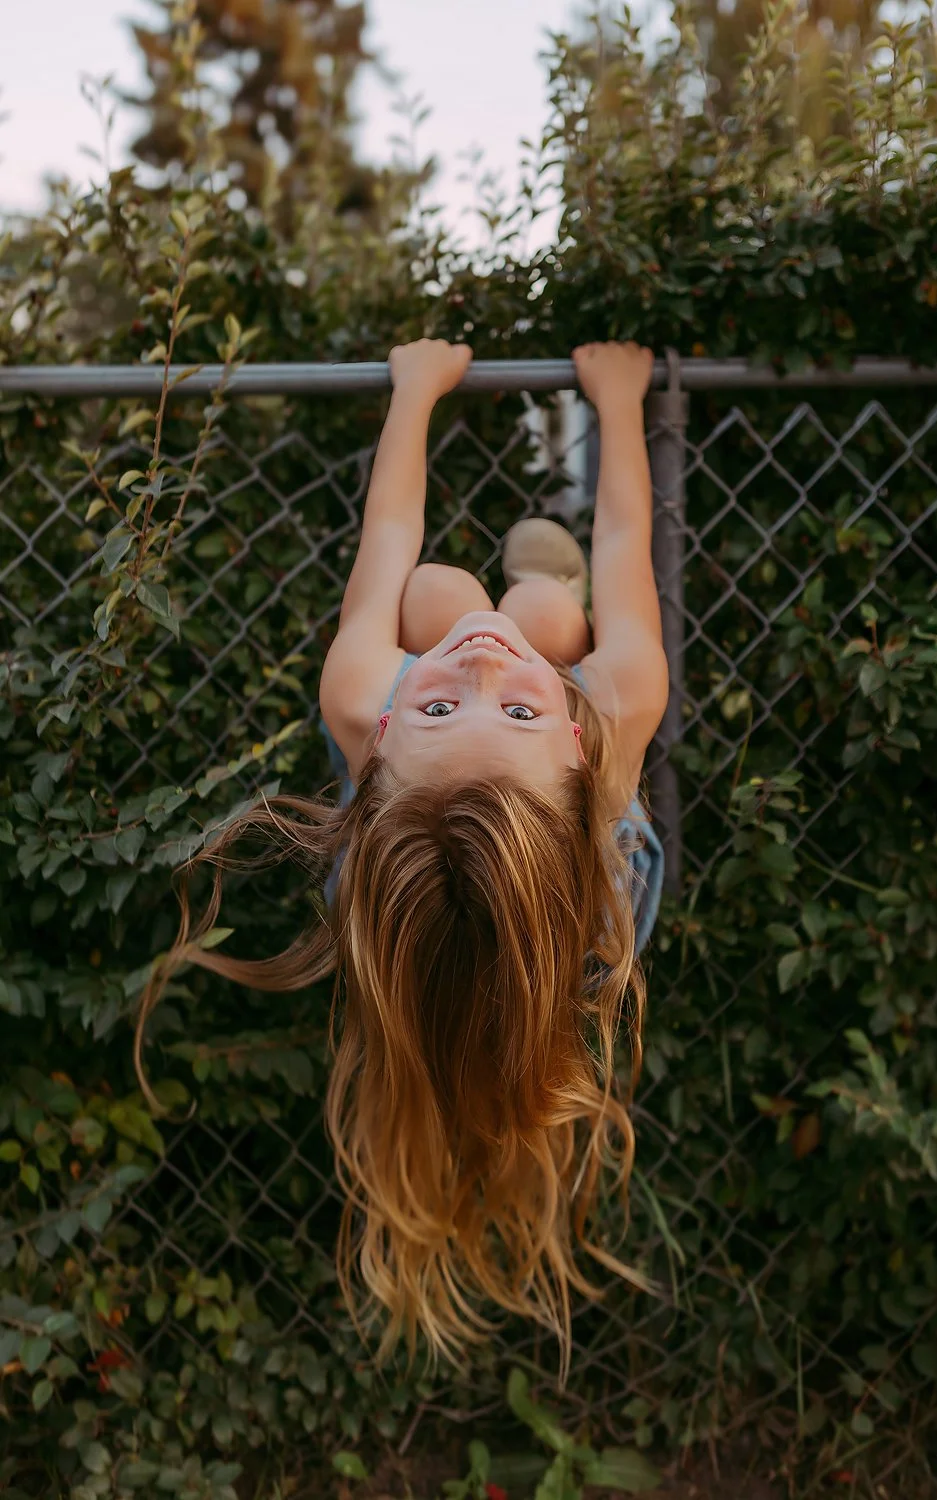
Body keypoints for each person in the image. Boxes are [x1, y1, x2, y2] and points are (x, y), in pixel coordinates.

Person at [135, 339, 669, 1382]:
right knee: (549, 610)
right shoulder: (614, 710)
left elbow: (386, 539)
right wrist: (619, 400)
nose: (476, 669)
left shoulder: (359, 697)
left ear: (373, 755)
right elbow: (622, 541)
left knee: (432, 591)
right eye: (516, 705)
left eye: (440, 703)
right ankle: (537, 604)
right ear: (570, 749)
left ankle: (509, 623)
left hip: (408, 851)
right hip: (589, 895)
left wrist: (416, 390)